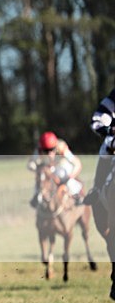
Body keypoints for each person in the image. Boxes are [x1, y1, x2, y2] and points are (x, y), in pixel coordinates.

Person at [26, 131, 84, 207]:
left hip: (61, 166)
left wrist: (71, 176)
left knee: (64, 172)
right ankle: (36, 195)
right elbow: (30, 164)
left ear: (55, 146)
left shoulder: (61, 147)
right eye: (46, 151)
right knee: (41, 176)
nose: (49, 153)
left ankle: (76, 194)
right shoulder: (38, 150)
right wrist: (37, 169)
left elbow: (77, 163)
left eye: (52, 149)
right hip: (48, 169)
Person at [84, 88, 115, 229]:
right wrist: (109, 130)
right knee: (107, 148)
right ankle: (97, 189)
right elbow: (97, 121)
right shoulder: (112, 99)